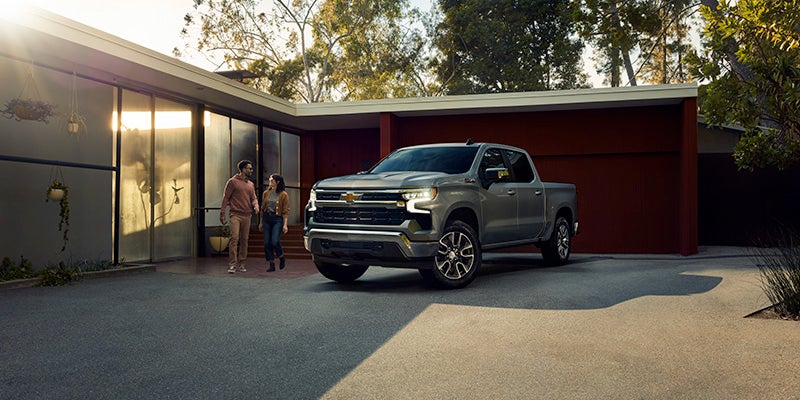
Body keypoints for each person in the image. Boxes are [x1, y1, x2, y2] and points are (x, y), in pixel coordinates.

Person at [220, 160, 259, 274]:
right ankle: (232, 264)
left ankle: (242, 263)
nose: (251, 170)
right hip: (235, 215)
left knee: (244, 240)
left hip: (247, 215)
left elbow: (254, 198)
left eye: (251, 168)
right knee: (234, 238)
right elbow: (226, 198)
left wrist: (256, 206)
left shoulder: (250, 184)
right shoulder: (232, 182)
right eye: (249, 168)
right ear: (243, 169)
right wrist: (222, 213)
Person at [259, 173, 290, 271]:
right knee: (267, 243)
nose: (270, 182)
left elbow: (285, 211)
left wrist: (285, 225)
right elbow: (262, 209)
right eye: (269, 180)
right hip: (267, 219)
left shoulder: (283, 194)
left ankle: (281, 257)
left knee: (275, 241)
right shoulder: (266, 193)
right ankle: (271, 264)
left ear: (278, 182)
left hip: (277, 219)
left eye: (272, 180)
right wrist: (260, 222)